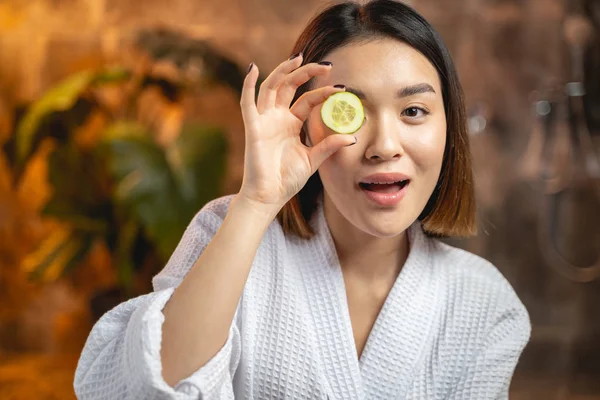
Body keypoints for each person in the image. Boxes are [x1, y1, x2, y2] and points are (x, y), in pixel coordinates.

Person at [73, 0, 531, 398]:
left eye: (413, 111)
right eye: (348, 110)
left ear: (448, 128)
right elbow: (148, 389)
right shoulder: (230, 233)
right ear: (306, 125)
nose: (385, 145)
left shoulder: (483, 302)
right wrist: (256, 201)